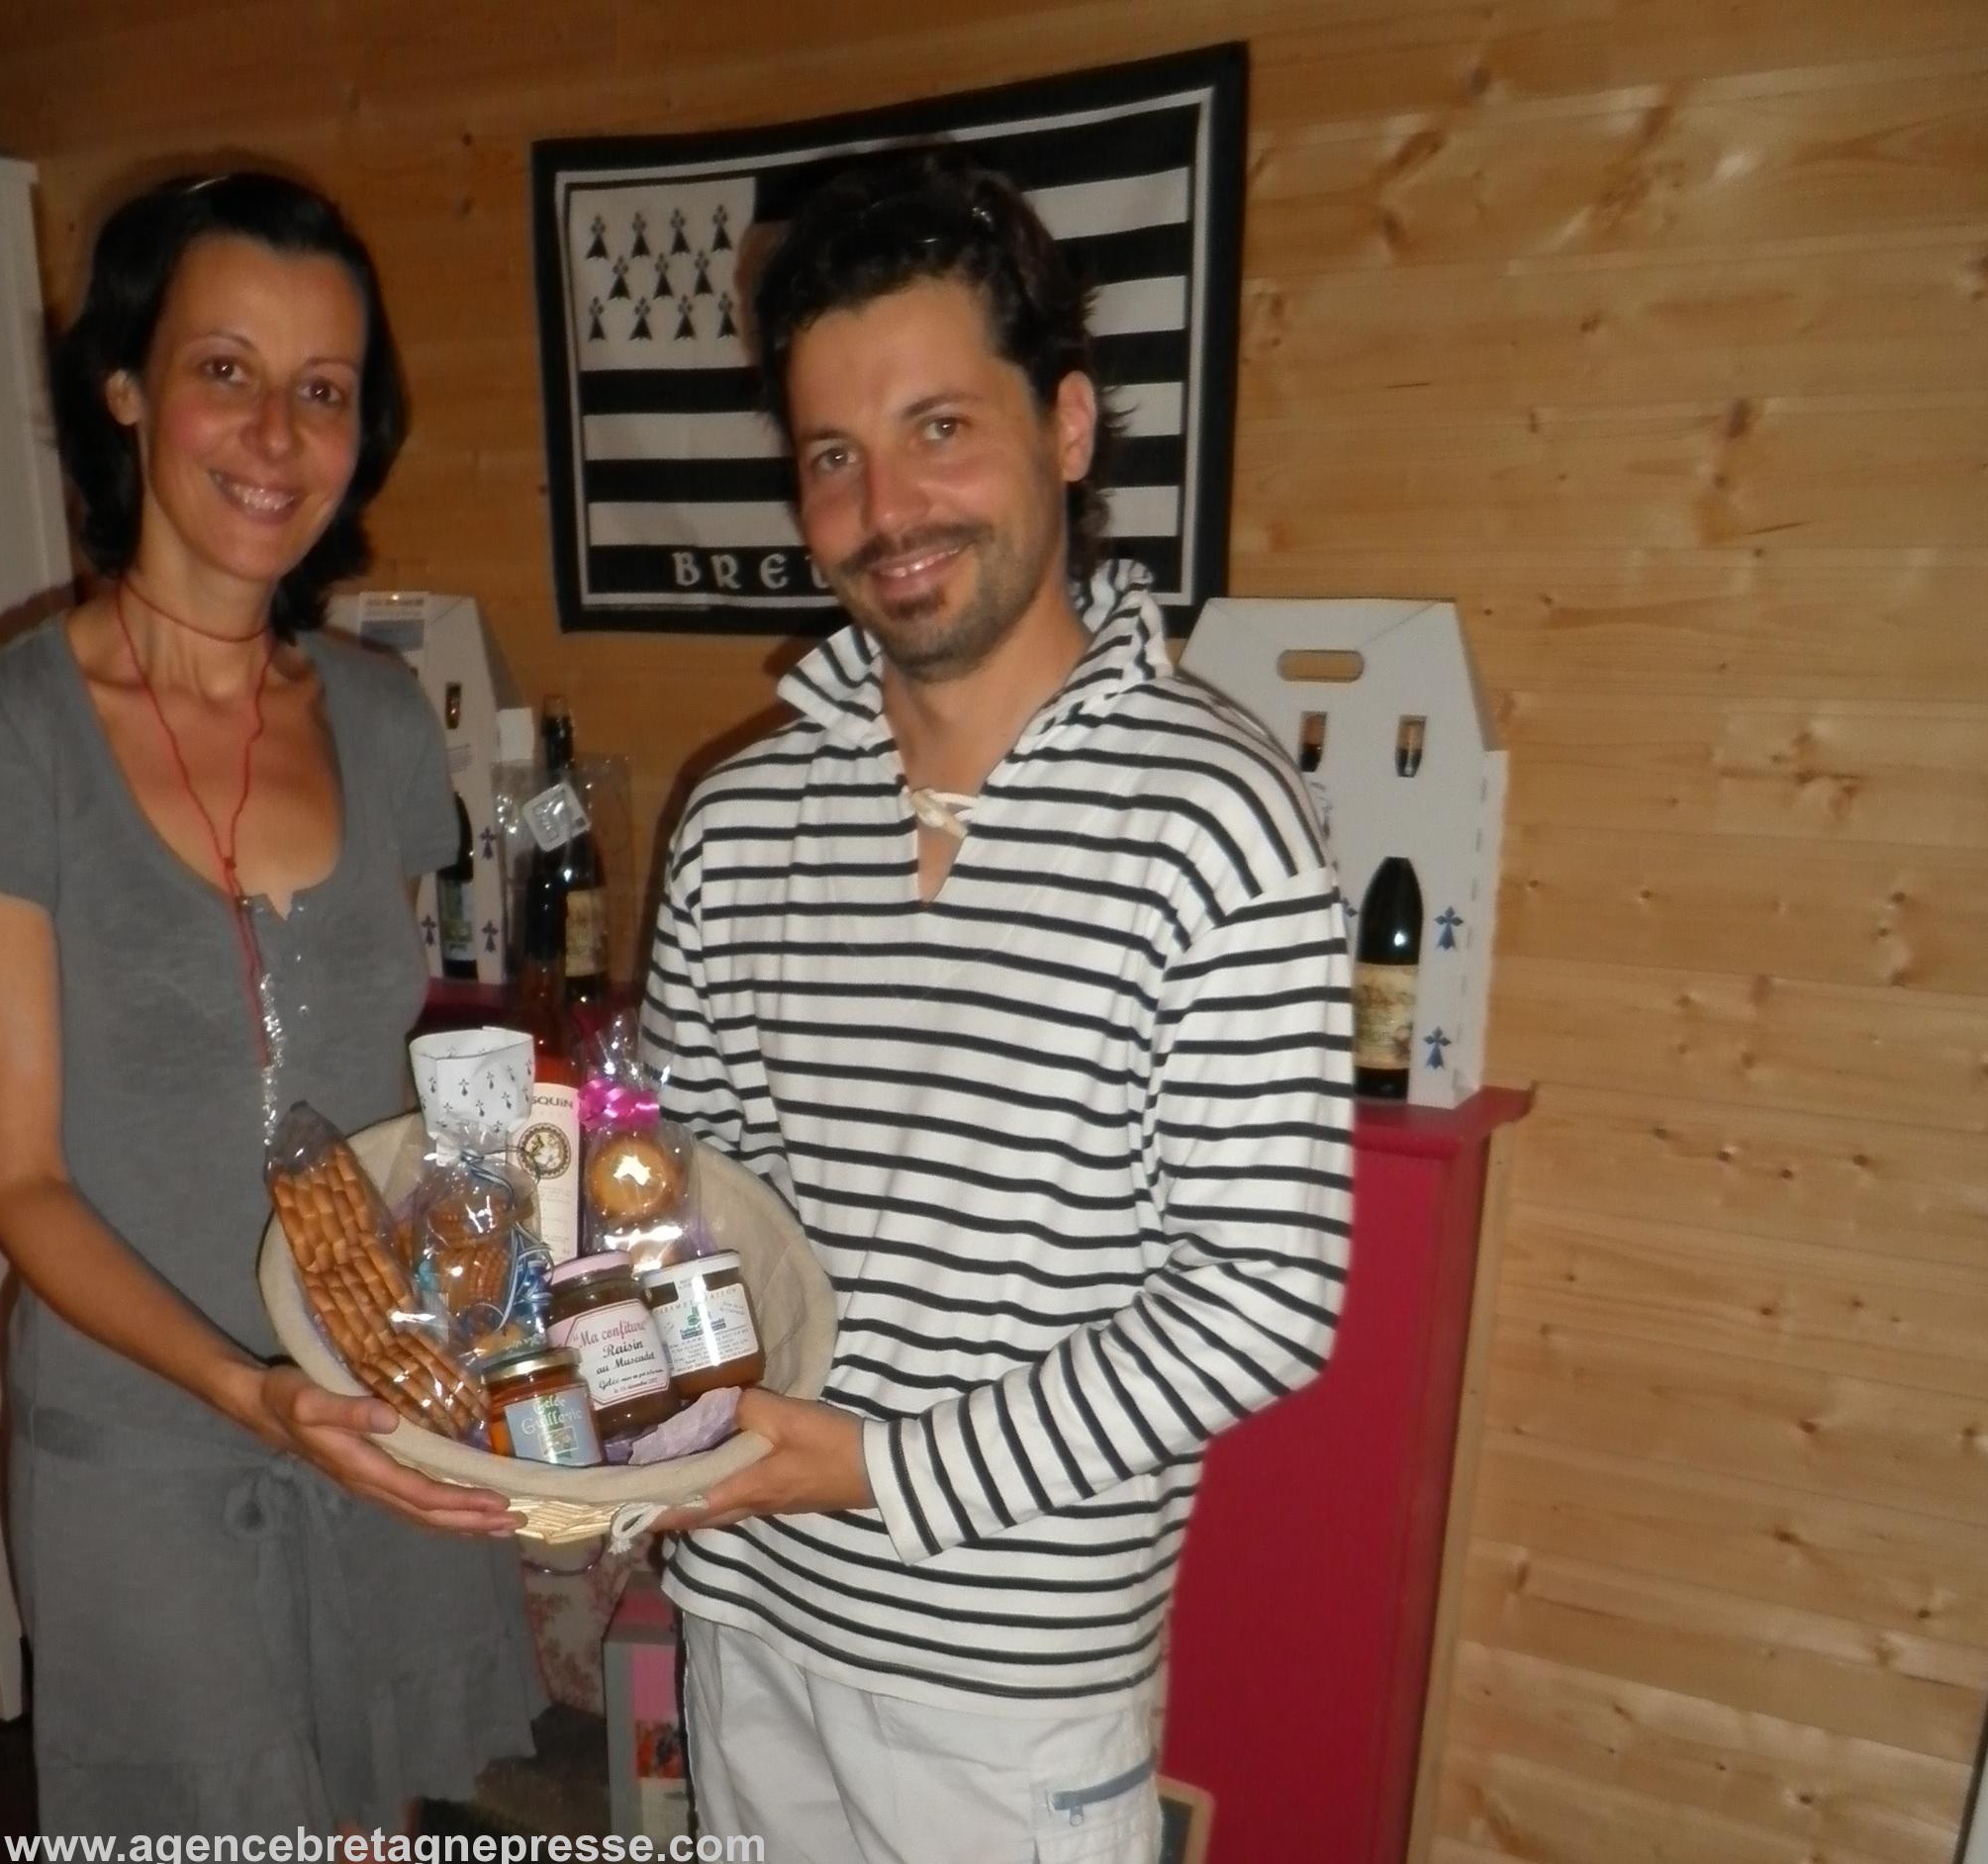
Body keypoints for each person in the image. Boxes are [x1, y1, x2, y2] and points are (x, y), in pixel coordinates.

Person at [641, 151, 1355, 1864]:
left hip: (1006, 1687)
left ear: (1068, 425)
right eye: (834, 456)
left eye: (940, 428)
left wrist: (876, 1471)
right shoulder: (740, 817)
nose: (888, 507)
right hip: (745, 1611)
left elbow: (1267, 1298)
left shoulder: (1217, 819)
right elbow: (681, 1193)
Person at [0, 170, 541, 1837]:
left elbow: (400, 1068)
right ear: (125, 387)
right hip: (152, 1454)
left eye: (323, 390)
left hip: (381, 1396)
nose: (274, 435)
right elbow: (17, 1172)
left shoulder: (386, 720)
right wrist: (254, 1391)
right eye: (225, 370)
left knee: (384, 1815)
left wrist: (504, 1287)